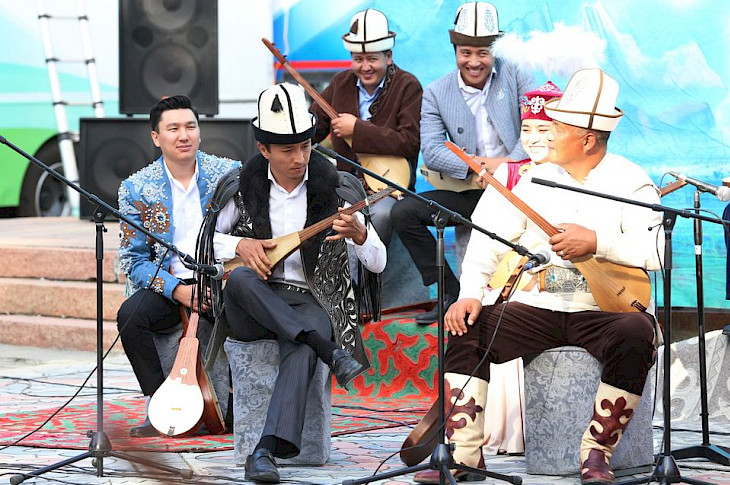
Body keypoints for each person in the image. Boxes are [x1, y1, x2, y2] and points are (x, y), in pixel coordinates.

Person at [411, 68, 663, 484]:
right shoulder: (534, 179)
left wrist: (597, 242)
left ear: (587, 139)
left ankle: (596, 453)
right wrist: (469, 292)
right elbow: (488, 239)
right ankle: (465, 456)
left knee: (637, 332)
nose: (547, 136)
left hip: (600, 310)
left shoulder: (631, 181)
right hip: (538, 305)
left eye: (558, 129)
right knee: (467, 326)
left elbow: (657, 250)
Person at [206, 83, 387, 484]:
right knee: (240, 279)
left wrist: (360, 236)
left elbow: (377, 263)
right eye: (287, 150)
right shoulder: (240, 187)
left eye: (305, 147)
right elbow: (197, 245)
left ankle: (264, 452)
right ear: (264, 148)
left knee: (303, 345)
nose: (299, 158)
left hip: (311, 300)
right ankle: (327, 349)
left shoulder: (336, 188)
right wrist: (238, 244)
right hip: (253, 302)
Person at [391, 1, 536, 325]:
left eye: (483, 53)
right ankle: (448, 291)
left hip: (517, 190)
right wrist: (478, 166)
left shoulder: (516, 74)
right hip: (470, 192)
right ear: (455, 50)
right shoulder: (436, 92)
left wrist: (505, 166)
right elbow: (432, 150)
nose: (473, 61)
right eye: (465, 52)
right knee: (404, 212)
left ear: (495, 51)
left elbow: (536, 129)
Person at [116, 95, 240, 438]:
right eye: (173, 129)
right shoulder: (136, 188)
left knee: (248, 306)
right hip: (171, 284)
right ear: (156, 137)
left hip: (222, 278)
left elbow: (248, 233)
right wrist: (178, 291)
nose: (184, 135)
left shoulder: (229, 174)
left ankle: (234, 404)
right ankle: (159, 405)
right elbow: (134, 260)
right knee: (131, 316)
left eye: (190, 126)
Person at [482, 80, 563, 456]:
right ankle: (506, 427)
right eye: (527, 129)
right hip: (516, 273)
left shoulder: (578, 177)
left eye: (544, 130)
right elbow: (488, 235)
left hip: (568, 279)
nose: (534, 139)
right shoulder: (509, 174)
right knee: (493, 306)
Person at [310, 8, 422, 245]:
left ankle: (370, 269)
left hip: (389, 188)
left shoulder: (407, 85)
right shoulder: (341, 83)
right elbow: (313, 128)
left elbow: (410, 142)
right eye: (358, 59)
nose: (365, 67)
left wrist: (357, 130)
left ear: (388, 56)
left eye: (372, 59)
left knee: (381, 215)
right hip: (345, 186)